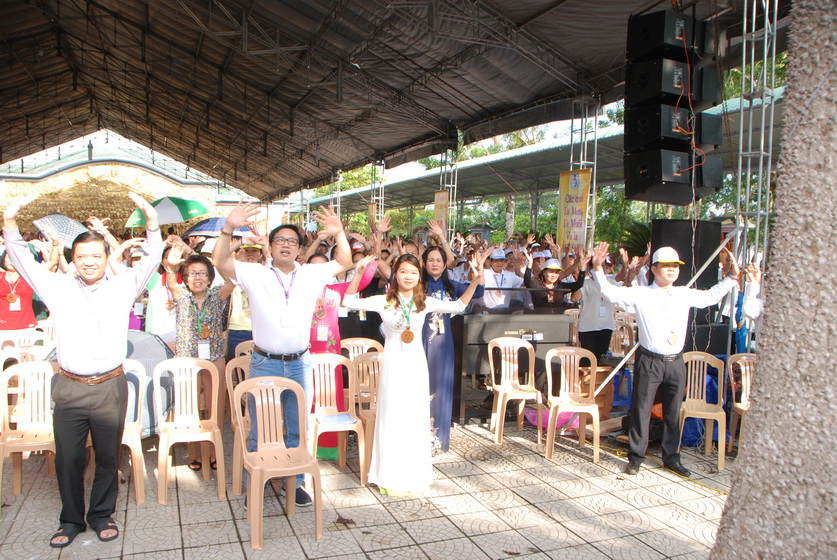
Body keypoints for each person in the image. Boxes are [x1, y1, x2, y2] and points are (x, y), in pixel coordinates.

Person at [3, 193, 162, 548]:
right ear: (73, 259)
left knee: (107, 456)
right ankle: (71, 519)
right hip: (70, 387)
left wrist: (152, 224)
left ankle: (102, 515)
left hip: (110, 387)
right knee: (69, 458)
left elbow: (152, 258)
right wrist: (10, 223)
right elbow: (22, 260)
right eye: (82, 256)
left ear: (107, 257)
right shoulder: (56, 287)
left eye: (96, 256)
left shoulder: (123, 287)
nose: (89, 262)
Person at [212, 201, 351, 507]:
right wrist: (229, 227)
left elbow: (344, 260)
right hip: (264, 364)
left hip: (300, 363)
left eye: (291, 241)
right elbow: (219, 260)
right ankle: (255, 483)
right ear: (271, 246)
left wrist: (339, 233)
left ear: (299, 248)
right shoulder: (254, 273)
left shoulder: (312, 273)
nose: (285, 245)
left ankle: (295, 482)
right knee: (260, 428)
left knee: (297, 427)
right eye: (279, 240)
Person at [590, 243, 739, 477]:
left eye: (675, 266)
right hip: (649, 361)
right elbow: (611, 293)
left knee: (673, 412)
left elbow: (711, 296)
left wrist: (732, 277)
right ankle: (636, 457)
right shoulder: (642, 293)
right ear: (654, 269)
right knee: (641, 409)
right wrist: (598, 269)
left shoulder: (683, 293)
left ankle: (671, 457)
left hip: (675, 362)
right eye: (666, 266)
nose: (671, 270)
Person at [342, 253, 484, 495]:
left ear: (419, 277)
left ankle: (413, 474)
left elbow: (459, 306)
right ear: (395, 275)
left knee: (414, 418)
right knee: (392, 416)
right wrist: (358, 274)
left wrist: (475, 281)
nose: (408, 276)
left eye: (413, 272)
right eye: (403, 271)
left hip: (416, 366)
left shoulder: (424, 302)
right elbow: (348, 301)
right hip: (392, 367)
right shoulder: (383, 301)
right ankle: (388, 475)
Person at [165, 246, 234, 471]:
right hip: (187, 359)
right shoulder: (181, 296)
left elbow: (232, 281)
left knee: (216, 407)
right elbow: (171, 282)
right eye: (192, 273)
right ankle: (194, 453)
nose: (198, 278)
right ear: (185, 278)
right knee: (189, 407)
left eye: (202, 273)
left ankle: (214, 452)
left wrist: (218, 261)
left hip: (214, 357)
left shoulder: (217, 295)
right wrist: (171, 266)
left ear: (210, 277)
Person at [421, 245, 485, 453]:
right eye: (430, 260)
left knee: (442, 388)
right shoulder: (418, 285)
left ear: (444, 264)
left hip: (444, 344)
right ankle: (418, 438)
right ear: (424, 263)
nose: (435, 264)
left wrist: (479, 272)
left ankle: (438, 439)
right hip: (420, 341)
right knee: (421, 386)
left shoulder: (452, 286)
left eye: (438, 260)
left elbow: (479, 291)